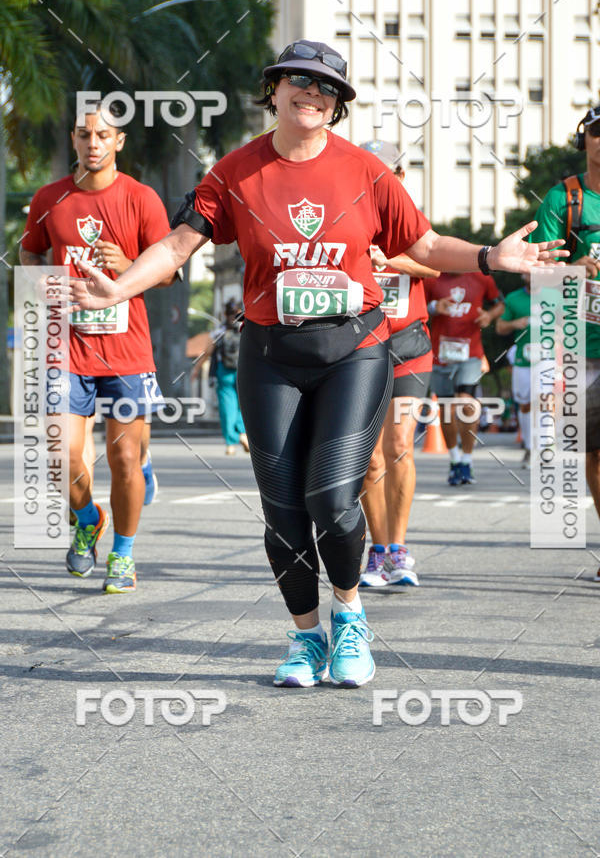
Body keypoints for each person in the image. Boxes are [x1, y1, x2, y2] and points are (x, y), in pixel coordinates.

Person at [66, 39, 567, 684]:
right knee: (282, 511)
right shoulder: (235, 172)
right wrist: (119, 288)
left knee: (330, 496)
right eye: (299, 80)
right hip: (271, 355)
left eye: (327, 87)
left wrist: (490, 257)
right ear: (273, 90)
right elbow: (176, 246)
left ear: (338, 106)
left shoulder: (367, 172)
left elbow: (424, 245)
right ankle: (306, 638)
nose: (313, 92)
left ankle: (350, 615)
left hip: (353, 350)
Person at [20, 102, 174, 593]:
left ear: (119, 141)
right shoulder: (50, 197)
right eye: (84, 134)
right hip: (66, 348)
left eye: (103, 135)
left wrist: (129, 265)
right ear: (73, 138)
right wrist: (40, 280)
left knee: (125, 458)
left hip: (126, 350)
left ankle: (123, 555)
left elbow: (168, 272)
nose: (93, 143)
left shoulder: (141, 198)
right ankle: (88, 518)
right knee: (59, 455)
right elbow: (30, 250)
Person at [358, 142, 439, 588]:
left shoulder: (410, 220)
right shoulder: (346, 217)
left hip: (410, 346)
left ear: (401, 176)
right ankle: (378, 550)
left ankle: (400, 550)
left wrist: (387, 260)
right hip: (360, 350)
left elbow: (434, 268)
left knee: (400, 445)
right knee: (369, 458)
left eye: (385, 173)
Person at [530, 104, 600, 581]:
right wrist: (573, 268)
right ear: (584, 141)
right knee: (595, 453)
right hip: (585, 345)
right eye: (598, 132)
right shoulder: (563, 199)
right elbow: (540, 273)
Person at [424, 271, 504, 485]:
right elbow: (417, 307)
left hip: (470, 353)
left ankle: (467, 461)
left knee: (466, 404)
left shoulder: (481, 277)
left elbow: (500, 304)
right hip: (440, 354)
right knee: (446, 409)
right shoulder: (432, 277)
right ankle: (455, 460)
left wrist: (489, 316)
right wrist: (434, 307)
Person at [191, 299, 249, 455]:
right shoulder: (246, 328)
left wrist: (196, 369)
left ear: (225, 313)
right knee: (243, 405)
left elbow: (207, 353)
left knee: (227, 406)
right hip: (244, 370)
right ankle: (243, 433)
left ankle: (230, 442)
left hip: (224, 372)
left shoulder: (219, 331)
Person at [496, 276, 531, 468]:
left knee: (545, 401)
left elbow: (568, 322)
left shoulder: (555, 295)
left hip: (549, 358)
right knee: (525, 404)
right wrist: (515, 323)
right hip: (523, 359)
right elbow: (500, 327)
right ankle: (529, 446)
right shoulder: (513, 298)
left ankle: (545, 446)